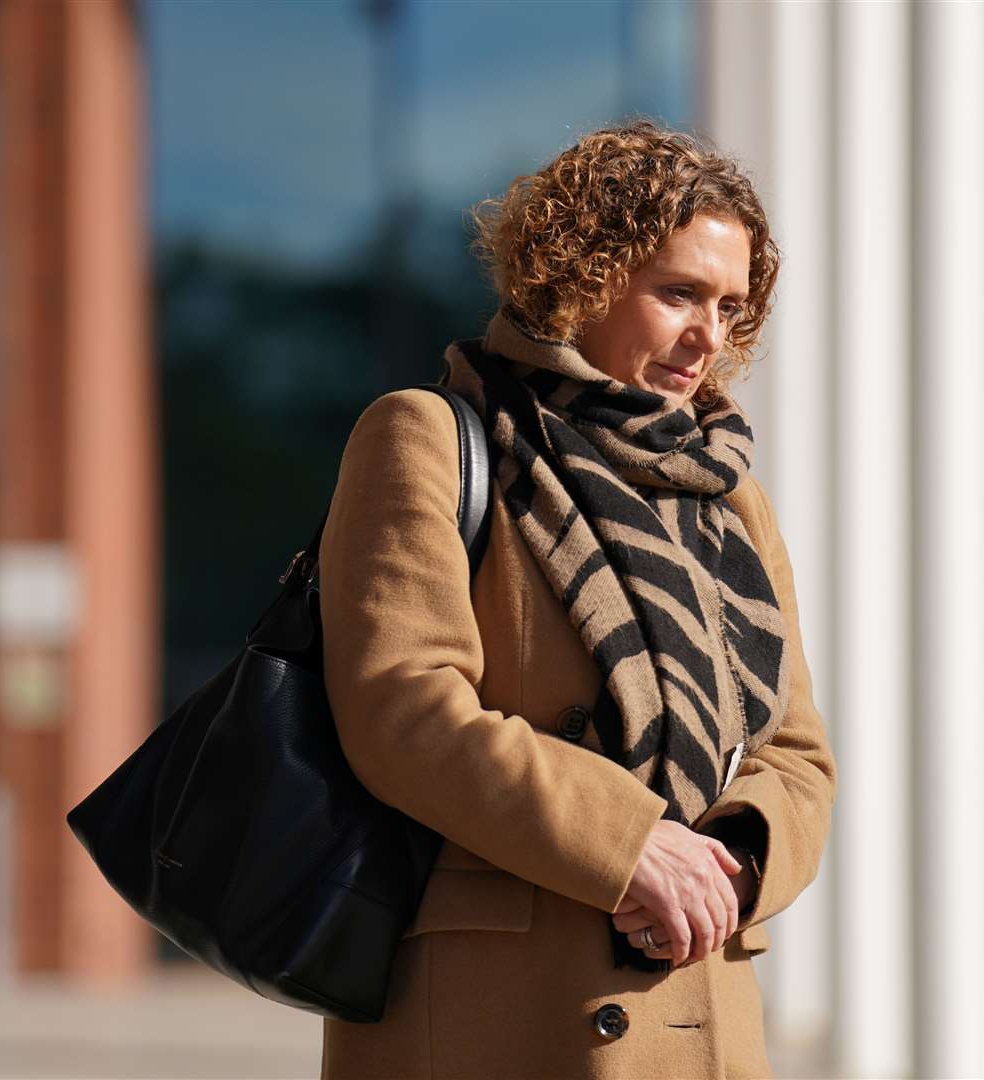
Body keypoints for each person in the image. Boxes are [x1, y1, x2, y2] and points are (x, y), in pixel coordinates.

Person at [317, 120, 835, 1079]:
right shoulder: (429, 435)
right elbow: (401, 705)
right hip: (496, 1013)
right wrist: (628, 844)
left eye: (728, 304)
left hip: (693, 1000)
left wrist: (726, 861)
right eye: (677, 291)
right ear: (580, 273)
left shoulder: (727, 492)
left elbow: (794, 752)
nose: (706, 336)